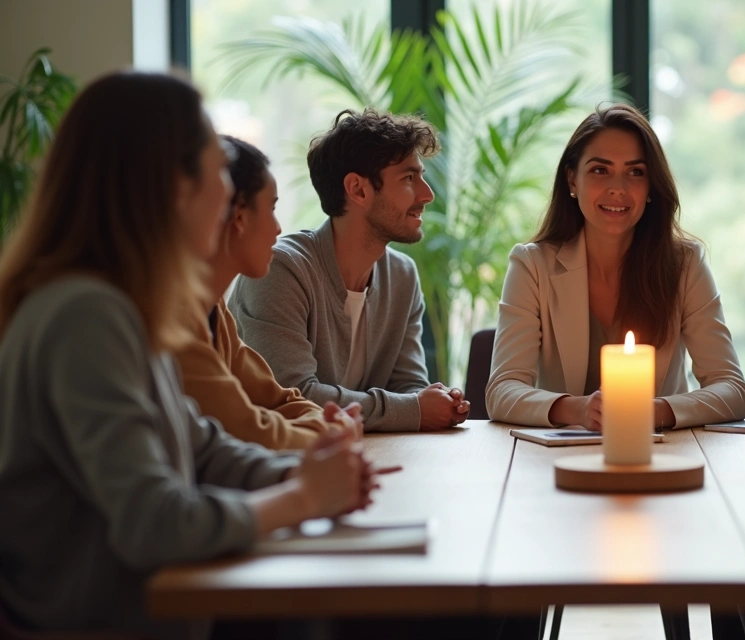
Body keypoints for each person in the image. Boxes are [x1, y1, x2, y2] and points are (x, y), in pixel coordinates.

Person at [0, 72, 388, 639]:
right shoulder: (86, 316)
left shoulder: (124, 306)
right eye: (217, 173)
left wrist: (310, 471)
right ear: (174, 189)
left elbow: (203, 450)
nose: (226, 196)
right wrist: (304, 495)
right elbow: (153, 522)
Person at [485, 103, 745, 431]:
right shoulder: (532, 265)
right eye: (600, 170)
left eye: (635, 172)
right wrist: (579, 410)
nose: (618, 188)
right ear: (572, 179)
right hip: (555, 462)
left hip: (661, 456)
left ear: (651, 185)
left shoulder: (685, 264)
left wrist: (652, 412)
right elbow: (502, 391)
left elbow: (733, 390)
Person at [229, 109, 469, 433]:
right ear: (357, 189)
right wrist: (413, 408)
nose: (427, 195)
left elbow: (409, 386)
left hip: (364, 456)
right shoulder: (281, 271)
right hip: (277, 468)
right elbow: (293, 398)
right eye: (409, 178)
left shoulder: (402, 276)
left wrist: (437, 402)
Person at [174, 135, 343, 450]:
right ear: (239, 216)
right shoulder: (174, 319)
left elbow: (278, 399)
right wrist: (329, 432)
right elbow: (250, 430)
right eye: (272, 208)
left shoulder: (215, 313)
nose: (278, 229)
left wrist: (324, 425)